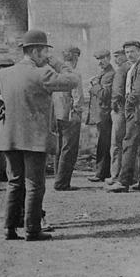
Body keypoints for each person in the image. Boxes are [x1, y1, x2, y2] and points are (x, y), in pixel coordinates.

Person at [0, 29, 80, 241]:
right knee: (35, 185)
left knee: (14, 183)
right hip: (35, 140)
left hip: (10, 138)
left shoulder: (4, 74)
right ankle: (32, 230)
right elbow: (72, 80)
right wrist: (57, 63)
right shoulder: (43, 74)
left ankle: (10, 229)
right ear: (35, 52)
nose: (46, 56)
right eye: (44, 52)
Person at [108, 40, 140, 192]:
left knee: (129, 143)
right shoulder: (134, 67)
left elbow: (138, 92)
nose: (129, 54)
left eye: (132, 51)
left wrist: (127, 107)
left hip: (137, 111)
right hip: (136, 110)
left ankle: (123, 182)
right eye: (127, 52)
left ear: (139, 51)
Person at [52, 46, 84, 191]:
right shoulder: (74, 73)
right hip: (71, 115)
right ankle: (62, 183)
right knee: (69, 149)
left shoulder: (56, 72)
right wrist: (77, 112)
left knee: (59, 148)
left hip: (57, 115)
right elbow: (77, 98)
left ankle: (57, 178)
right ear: (76, 57)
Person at [88, 49, 115, 182]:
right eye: (98, 59)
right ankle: (103, 172)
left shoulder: (110, 74)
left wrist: (94, 85)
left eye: (103, 58)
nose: (100, 62)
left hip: (105, 114)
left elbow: (104, 94)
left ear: (109, 58)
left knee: (104, 144)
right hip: (100, 113)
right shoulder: (103, 73)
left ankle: (101, 173)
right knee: (103, 143)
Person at [106, 49, 130, 185]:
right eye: (114, 56)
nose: (116, 59)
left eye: (118, 56)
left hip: (120, 109)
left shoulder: (124, 68)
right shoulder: (123, 68)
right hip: (120, 108)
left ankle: (116, 175)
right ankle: (117, 174)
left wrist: (115, 105)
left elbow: (119, 91)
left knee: (116, 143)